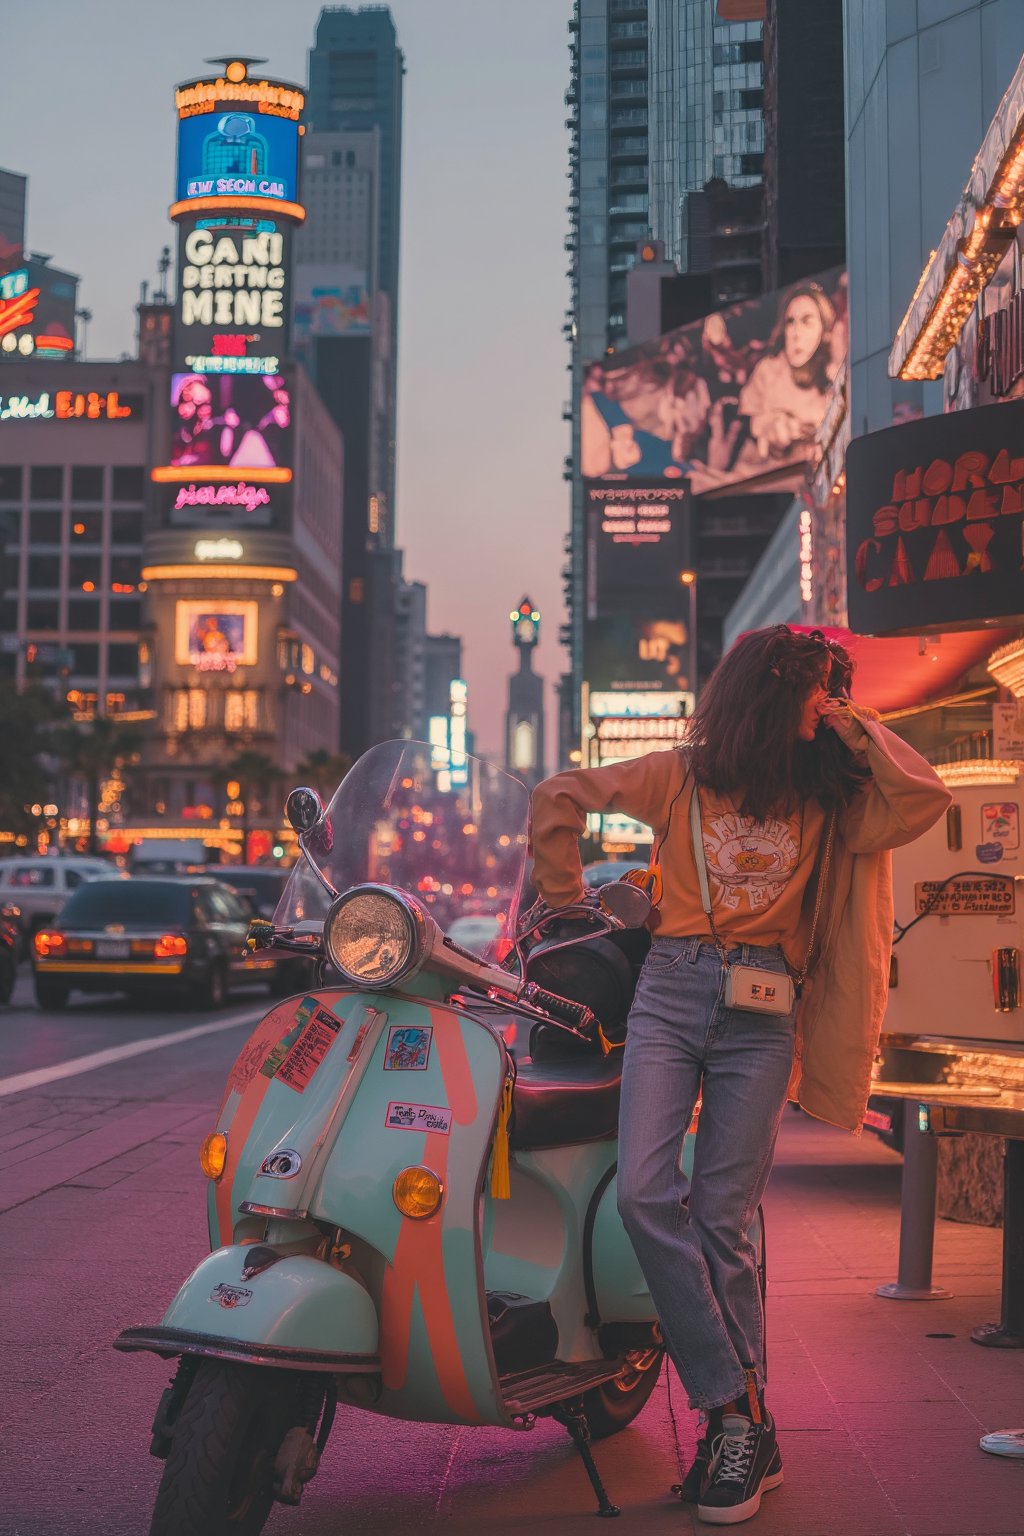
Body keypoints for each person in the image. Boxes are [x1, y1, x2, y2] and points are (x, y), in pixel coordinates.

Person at [529, 626, 950, 1525]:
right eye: (813, 694)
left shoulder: (829, 791)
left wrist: (847, 722)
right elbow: (558, 794)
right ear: (769, 694)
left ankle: (736, 1437)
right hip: (670, 993)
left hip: (767, 1011)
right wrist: (564, 909)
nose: (824, 707)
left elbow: (921, 796)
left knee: (724, 1217)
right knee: (645, 1194)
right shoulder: (678, 774)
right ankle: (737, 1410)